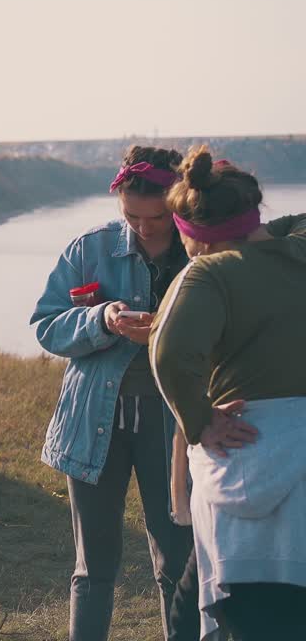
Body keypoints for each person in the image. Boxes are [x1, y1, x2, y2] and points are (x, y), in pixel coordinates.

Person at [31, 146, 196, 640]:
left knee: (177, 563)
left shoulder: (201, 253)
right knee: (93, 567)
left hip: (174, 430)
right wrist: (100, 319)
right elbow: (46, 326)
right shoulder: (88, 249)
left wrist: (166, 334)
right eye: (131, 216)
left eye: (157, 217)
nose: (144, 228)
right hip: (94, 424)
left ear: (178, 204)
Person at [150, 146, 306, 639]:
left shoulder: (208, 275)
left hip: (252, 455)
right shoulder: (298, 249)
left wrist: (201, 420)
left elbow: (169, 354)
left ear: (191, 233)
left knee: (251, 614)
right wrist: (262, 234)